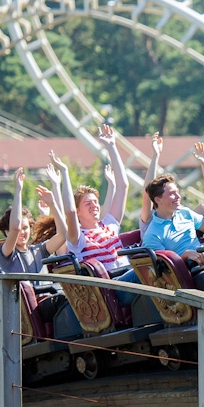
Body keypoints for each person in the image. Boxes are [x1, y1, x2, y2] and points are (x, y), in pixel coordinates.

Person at [52, 125, 139, 305]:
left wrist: (111, 147)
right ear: (79, 211)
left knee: (148, 269)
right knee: (145, 273)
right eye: (87, 203)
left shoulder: (110, 225)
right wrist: (65, 174)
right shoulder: (78, 239)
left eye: (95, 202)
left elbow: (123, 186)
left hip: (126, 278)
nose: (94, 206)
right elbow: (68, 210)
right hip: (111, 290)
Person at [0, 167, 68, 321]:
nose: (22, 231)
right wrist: (18, 191)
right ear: (7, 232)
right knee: (64, 300)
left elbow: (63, 235)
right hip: (27, 312)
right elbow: (15, 227)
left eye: (26, 228)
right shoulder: (8, 254)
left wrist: (53, 204)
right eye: (18, 229)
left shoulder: (39, 250)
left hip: (49, 302)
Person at [142, 173, 204, 294]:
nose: (178, 196)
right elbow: (164, 274)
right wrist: (184, 256)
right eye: (172, 194)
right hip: (188, 276)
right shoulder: (152, 235)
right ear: (158, 200)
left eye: (177, 192)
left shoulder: (185, 213)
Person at [139, 132, 163, 237]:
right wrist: (155, 156)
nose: (176, 197)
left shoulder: (182, 215)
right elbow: (147, 193)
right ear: (158, 199)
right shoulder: (150, 218)